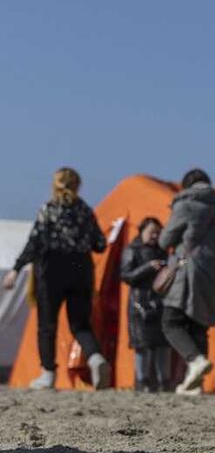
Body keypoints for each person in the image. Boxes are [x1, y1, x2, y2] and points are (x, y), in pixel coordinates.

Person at [1, 167, 112, 390]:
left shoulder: (49, 210)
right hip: (81, 269)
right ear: (78, 185)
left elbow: (34, 242)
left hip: (52, 270)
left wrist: (16, 268)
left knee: (47, 325)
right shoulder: (85, 211)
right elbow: (100, 245)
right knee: (80, 324)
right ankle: (95, 358)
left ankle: (48, 373)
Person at [159, 168, 215, 395]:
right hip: (212, 271)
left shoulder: (185, 202)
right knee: (199, 326)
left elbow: (165, 239)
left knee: (171, 321)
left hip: (187, 268)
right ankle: (195, 384)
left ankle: (195, 360)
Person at [119, 216, 171, 392]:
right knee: (142, 345)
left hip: (160, 302)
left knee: (163, 344)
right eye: (151, 232)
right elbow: (126, 276)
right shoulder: (132, 250)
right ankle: (143, 382)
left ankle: (164, 382)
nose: (155, 236)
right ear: (142, 232)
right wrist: (148, 267)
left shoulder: (163, 251)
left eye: (158, 232)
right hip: (139, 303)